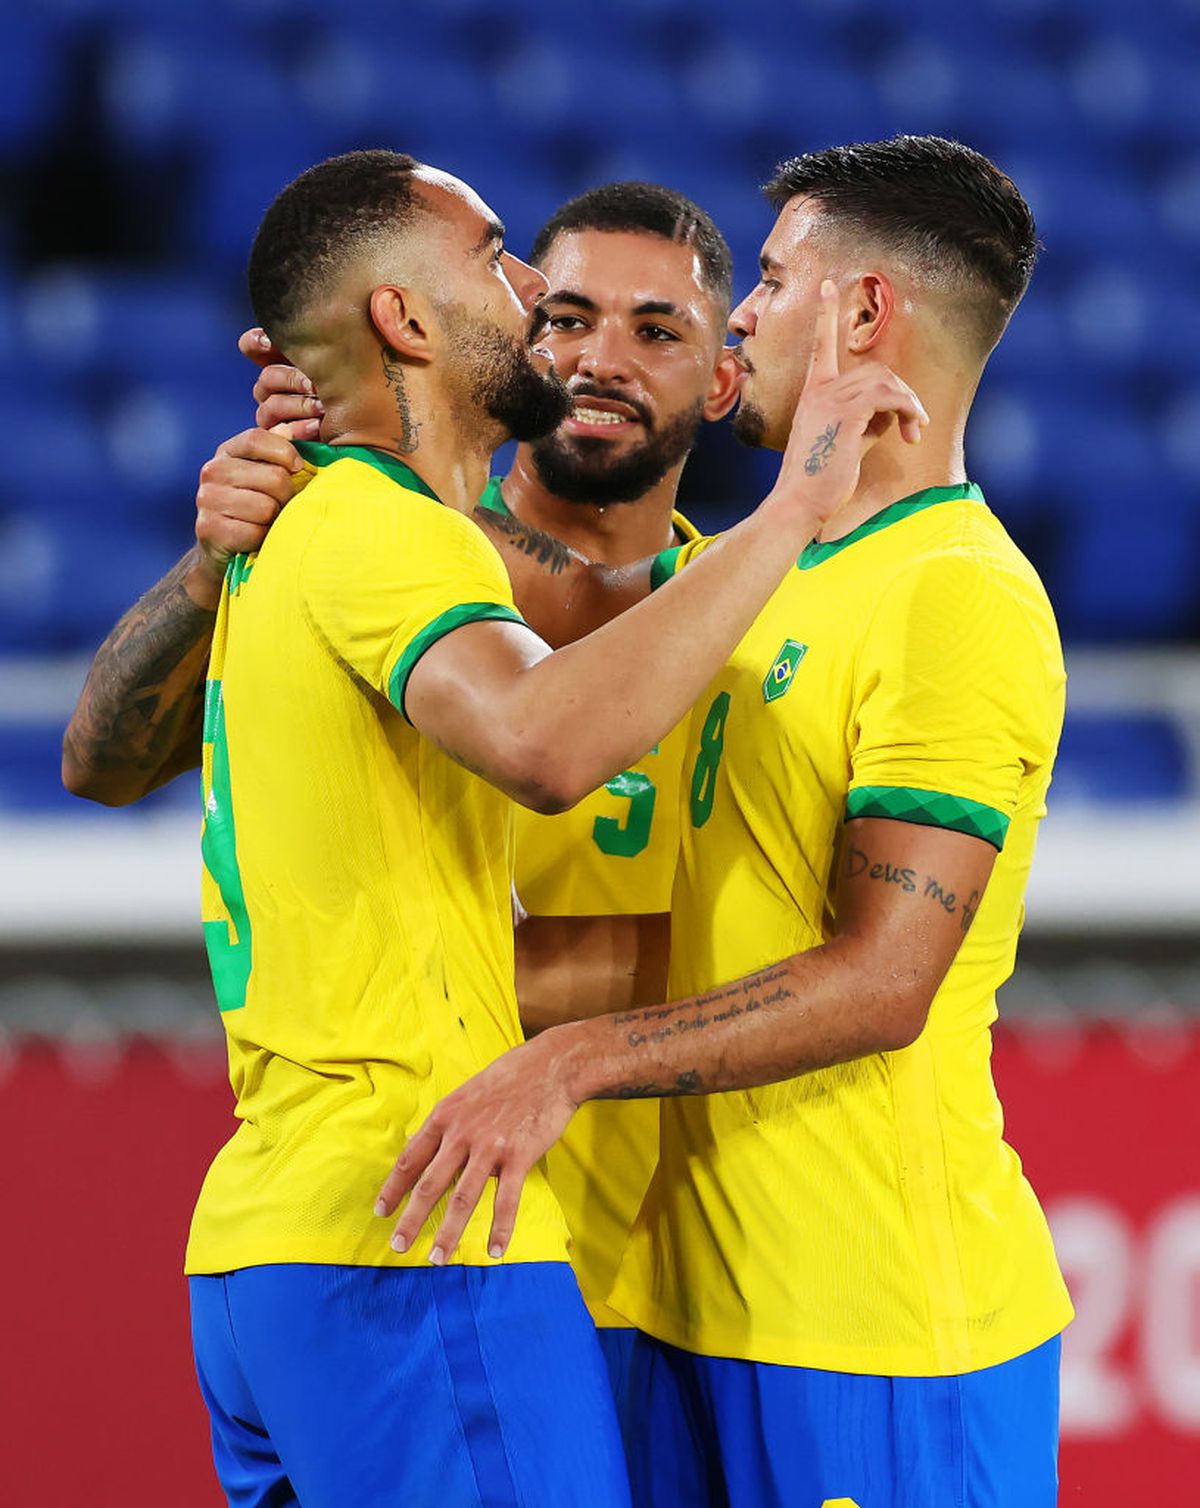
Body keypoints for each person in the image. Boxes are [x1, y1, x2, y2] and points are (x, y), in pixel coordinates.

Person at [63, 148, 924, 1508]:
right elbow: (109, 761)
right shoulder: (372, 532)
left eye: (655, 329)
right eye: (542, 292)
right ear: (407, 322)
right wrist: (215, 556)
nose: (559, 325)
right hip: (434, 1219)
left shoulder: (726, 623)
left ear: (719, 378)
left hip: (509, 1250)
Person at [375, 136, 1074, 1508]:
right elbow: (703, 927)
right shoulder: (777, 577)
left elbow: (884, 983)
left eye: (768, 280)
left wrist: (570, 1063)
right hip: (712, 1309)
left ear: (864, 313)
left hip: (878, 1330)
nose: (744, 318)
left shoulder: (955, 594)